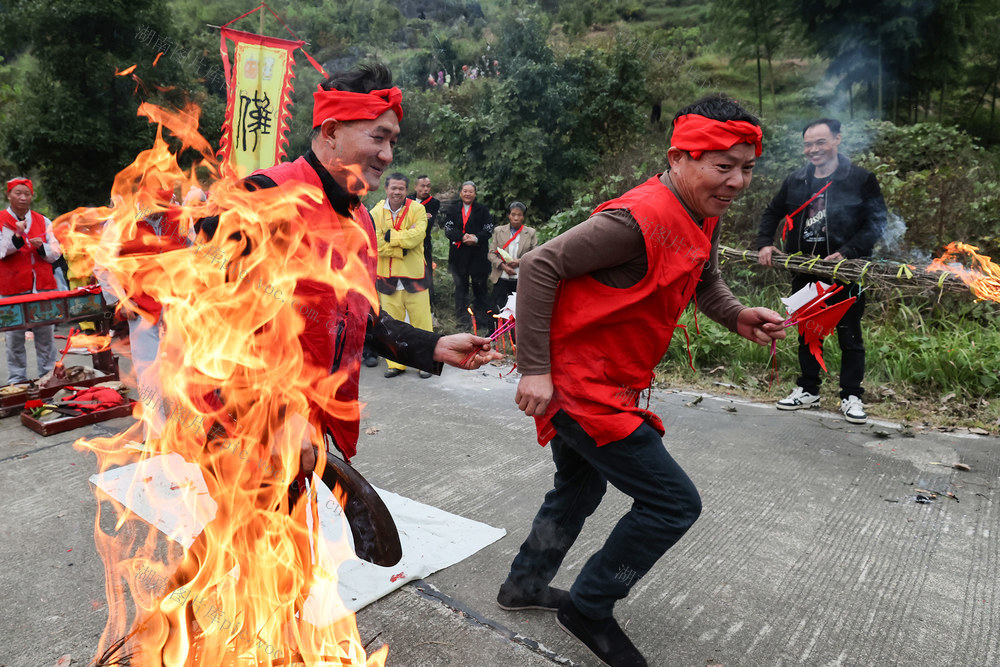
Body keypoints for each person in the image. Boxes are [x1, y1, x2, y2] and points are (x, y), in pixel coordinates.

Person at [498, 94, 786, 667]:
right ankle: (590, 606)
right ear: (679, 157)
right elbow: (538, 265)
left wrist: (736, 315)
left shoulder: (700, 211)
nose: (736, 181)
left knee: (579, 487)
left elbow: (704, 277)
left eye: (747, 167)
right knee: (672, 503)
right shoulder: (635, 221)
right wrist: (535, 368)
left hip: (612, 380)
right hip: (581, 386)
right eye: (721, 165)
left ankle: (525, 585)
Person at [198, 64, 500, 472]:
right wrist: (274, 412)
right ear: (332, 131)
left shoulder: (361, 221)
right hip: (243, 435)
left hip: (310, 431)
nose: (388, 155)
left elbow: (360, 322)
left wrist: (434, 346)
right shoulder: (261, 198)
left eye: (393, 141)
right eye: (378, 137)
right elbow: (202, 317)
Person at [755, 117, 886, 424]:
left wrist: (849, 252)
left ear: (838, 139)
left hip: (847, 271)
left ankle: (851, 394)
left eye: (820, 142)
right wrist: (764, 242)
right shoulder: (797, 179)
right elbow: (773, 212)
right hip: (805, 269)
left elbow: (877, 222)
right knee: (808, 332)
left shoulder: (860, 178)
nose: (813, 150)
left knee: (849, 334)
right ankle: (808, 389)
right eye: (808, 144)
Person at [370, 172, 434, 379]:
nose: (396, 192)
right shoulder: (375, 212)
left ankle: (425, 364)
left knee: (421, 324)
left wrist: (389, 236)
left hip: (414, 277)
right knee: (390, 325)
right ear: (386, 189)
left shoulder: (418, 209)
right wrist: (401, 247)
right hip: (387, 279)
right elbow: (376, 244)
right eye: (393, 188)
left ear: (407, 190)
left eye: (401, 188)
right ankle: (395, 363)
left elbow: (417, 237)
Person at [1, 177, 63, 385]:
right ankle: (17, 381)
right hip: (12, 290)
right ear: (8, 195)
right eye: (18, 193)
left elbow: (55, 253)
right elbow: (2, 251)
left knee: (46, 337)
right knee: (14, 339)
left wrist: (41, 247)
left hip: (42, 288)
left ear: (31, 197)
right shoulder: (1, 220)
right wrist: (18, 235)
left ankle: (48, 377)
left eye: (26, 193)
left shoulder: (43, 221)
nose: (22, 197)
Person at [443, 181, 493, 329]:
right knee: (460, 287)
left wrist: (476, 238)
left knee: (480, 287)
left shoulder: (482, 210)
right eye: (465, 191)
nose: (467, 194)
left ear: (475, 194)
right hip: (459, 255)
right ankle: (462, 321)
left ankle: (482, 320)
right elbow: (448, 229)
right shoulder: (453, 209)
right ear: (460, 193)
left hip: (478, 255)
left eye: (470, 191)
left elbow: (489, 229)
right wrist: (463, 237)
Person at [487, 201, 537, 325]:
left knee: (518, 307)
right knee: (496, 306)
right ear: (509, 215)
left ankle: (515, 336)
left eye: (519, 215)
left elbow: (535, 253)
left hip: (520, 277)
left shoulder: (530, 232)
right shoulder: (499, 231)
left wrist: (519, 261)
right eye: (513, 214)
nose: (516, 218)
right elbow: (491, 253)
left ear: (523, 217)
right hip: (502, 276)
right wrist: (503, 266)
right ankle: (493, 333)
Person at [407, 174, 441, 311]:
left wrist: (413, 222)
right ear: (416, 187)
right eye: (422, 186)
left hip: (424, 244)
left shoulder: (434, 203)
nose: (425, 189)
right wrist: (421, 219)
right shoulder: (407, 199)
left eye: (428, 186)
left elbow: (427, 225)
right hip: (407, 244)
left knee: (426, 274)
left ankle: (430, 308)